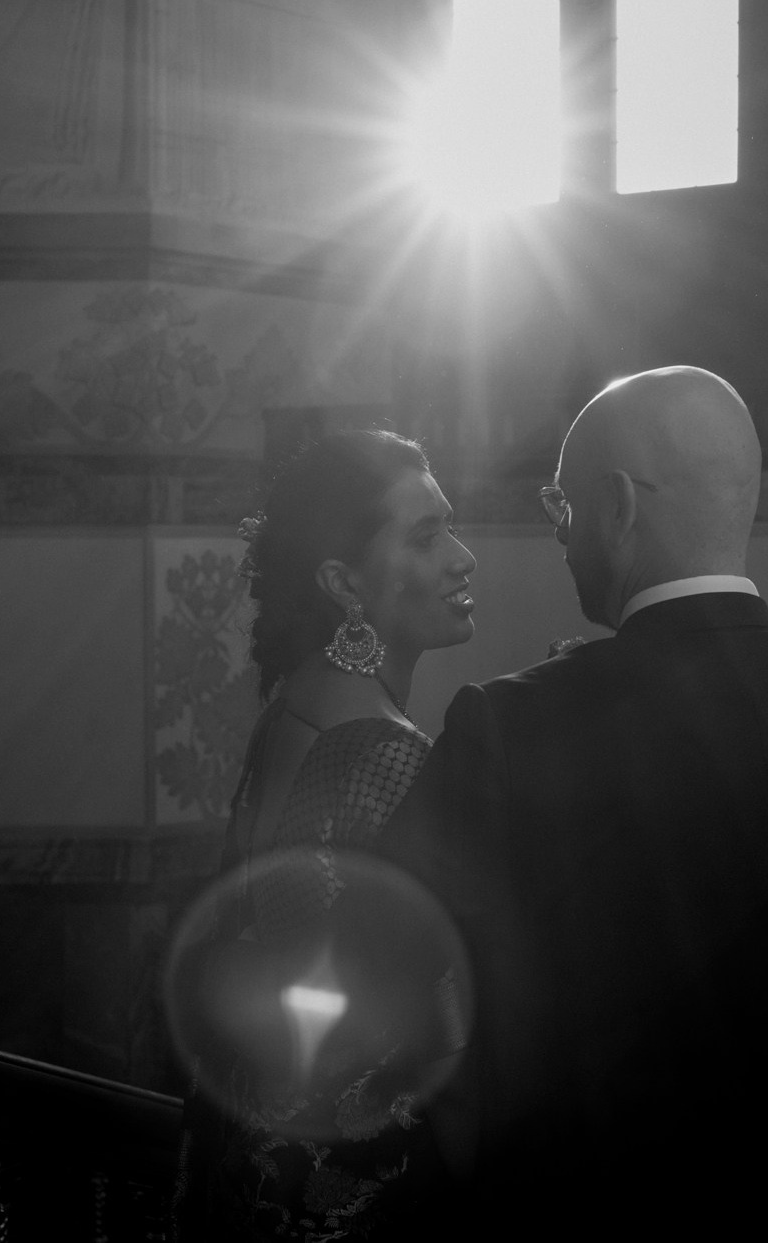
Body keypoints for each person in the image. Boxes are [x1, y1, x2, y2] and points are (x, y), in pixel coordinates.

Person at [378, 367, 768, 1234]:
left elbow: (381, 955)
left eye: (563, 504)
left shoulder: (507, 727)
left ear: (619, 505)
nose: (560, 533)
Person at [171, 429, 479, 1241]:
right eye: (426, 537)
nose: (463, 559)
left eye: (450, 527)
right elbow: (443, 1022)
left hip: (248, 1163)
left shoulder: (298, 705)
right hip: (340, 1189)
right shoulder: (381, 751)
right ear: (343, 583)